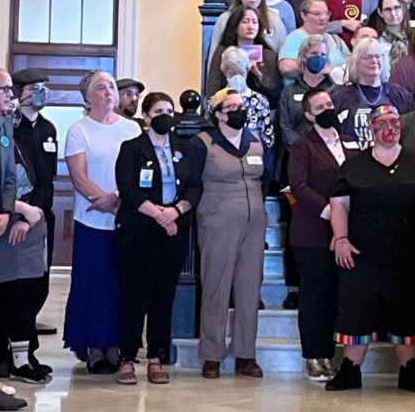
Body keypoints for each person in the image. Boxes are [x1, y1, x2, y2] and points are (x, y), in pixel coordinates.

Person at [325, 104, 415, 393]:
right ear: (371, 129)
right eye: (382, 124)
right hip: (361, 255)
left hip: (408, 255)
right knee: (355, 312)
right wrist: (341, 239)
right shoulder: (354, 165)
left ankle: (409, 370)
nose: (390, 129)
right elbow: (339, 204)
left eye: (394, 123)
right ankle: (350, 370)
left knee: (407, 313)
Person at [113, 93, 202, 385]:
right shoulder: (131, 148)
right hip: (138, 228)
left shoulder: (185, 148)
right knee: (135, 295)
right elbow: (128, 188)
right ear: (146, 117)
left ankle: (156, 357)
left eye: (169, 111)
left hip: (174, 228)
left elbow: (194, 186)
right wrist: (159, 215)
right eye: (158, 111)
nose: (165, 116)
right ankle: (127, 358)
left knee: (164, 296)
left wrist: (175, 212)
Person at [63, 71, 140, 373]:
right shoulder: (78, 131)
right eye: (101, 87)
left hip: (125, 220)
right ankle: (94, 348)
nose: (109, 92)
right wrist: (105, 201)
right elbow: (79, 178)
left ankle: (116, 346)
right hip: (91, 220)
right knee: (93, 285)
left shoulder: (132, 128)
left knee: (121, 285)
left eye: (111, 86)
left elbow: (137, 172)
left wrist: (118, 200)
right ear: (88, 97)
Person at [191, 89, 267, 380]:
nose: (240, 111)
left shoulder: (256, 140)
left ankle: (246, 354)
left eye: (242, 106)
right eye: (232, 107)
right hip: (217, 220)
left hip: (254, 222)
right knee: (216, 286)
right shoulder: (203, 142)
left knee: (250, 289)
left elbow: (267, 179)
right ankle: (212, 355)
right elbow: (192, 181)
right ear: (219, 114)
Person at [289, 89, 356, 381]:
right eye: (319, 107)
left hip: (348, 232)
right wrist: (330, 211)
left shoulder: (350, 142)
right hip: (313, 232)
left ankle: (333, 353)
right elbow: (299, 186)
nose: (327, 109)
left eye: (329, 104)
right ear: (309, 115)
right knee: (316, 296)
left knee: (337, 296)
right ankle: (314, 356)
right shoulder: (302, 146)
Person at [11, 69, 58, 344]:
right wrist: (22, 214)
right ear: (19, 92)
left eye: (44, 87)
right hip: (13, 214)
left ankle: (27, 347)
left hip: (40, 215)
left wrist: (35, 215)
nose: (41, 93)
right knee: (13, 287)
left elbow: (46, 178)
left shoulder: (48, 129)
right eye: (34, 88)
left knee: (39, 285)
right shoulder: (9, 127)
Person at [0, 69, 27, 412]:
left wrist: (6, 211)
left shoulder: (5, 125)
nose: (11, 94)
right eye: (4, 89)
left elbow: (9, 177)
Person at [331, 38, 414, 149]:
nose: (374, 60)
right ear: (355, 62)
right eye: (367, 56)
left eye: (378, 56)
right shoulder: (339, 97)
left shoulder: (400, 95)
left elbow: (410, 132)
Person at [205, 4, 282, 107]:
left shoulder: (268, 55)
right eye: (245, 22)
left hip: (260, 108)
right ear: (235, 26)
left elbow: (276, 91)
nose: (251, 26)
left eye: (254, 22)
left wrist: (258, 74)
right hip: (227, 107)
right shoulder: (222, 51)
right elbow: (213, 87)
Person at [278, 35, 337, 151]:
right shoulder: (289, 92)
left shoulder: (335, 89)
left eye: (323, 54)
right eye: (314, 53)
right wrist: (306, 149)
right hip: (298, 152)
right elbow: (285, 127)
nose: (319, 57)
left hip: (330, 151)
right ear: (303, 57)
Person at [278, 0, 351, 81]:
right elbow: (286, 67)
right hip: (307, 87)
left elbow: (350, 62)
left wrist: (338, 70)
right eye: (316, 14)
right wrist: (319, 70)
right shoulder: (294, 38)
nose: (322, 18)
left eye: (326, 14)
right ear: (303, 15)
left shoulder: (334, 39)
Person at [374, 0, 412, 71]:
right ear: (380, 12)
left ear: (403, 9)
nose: (393, 14)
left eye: (397, 8)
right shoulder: (375, 41)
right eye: (387, 10)